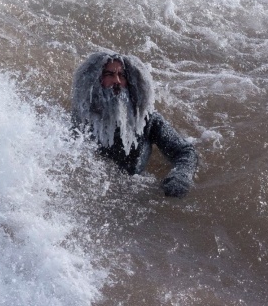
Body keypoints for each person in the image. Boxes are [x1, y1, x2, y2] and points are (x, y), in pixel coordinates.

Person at [71, 51, 198, 198]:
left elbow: (186, 151)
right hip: (96, 196)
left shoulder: (145, 120)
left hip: (137, 194)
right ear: (95, 80)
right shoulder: (82, 120)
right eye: (109, 75)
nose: (117, 81)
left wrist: (181, 176)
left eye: (122, 75)